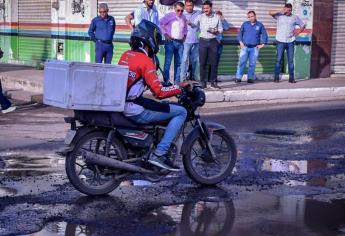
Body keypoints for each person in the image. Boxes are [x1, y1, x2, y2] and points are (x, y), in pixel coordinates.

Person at [118, 20, 193, 171]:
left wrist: (168, 86)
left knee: (159, 106)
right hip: (134, 108)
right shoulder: (145, 61)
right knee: (181, 111)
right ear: (149, 41)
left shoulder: (126, 55)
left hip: (124, 103)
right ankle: (159, 154)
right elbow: (158, 93)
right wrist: (178, 88)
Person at [269, 3, 306, 83]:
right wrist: (281, 11)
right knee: (278, 60)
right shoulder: (279, 16)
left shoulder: (295, 17)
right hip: (280, 41)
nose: (288, 12)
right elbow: (270, 13)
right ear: (284, 9)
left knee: (290, 61)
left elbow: (303, 25)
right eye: (287, 10)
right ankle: (276, 78)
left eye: (289, 10)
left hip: (290, 42)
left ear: (291, 10)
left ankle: (291, 78)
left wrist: (298, 32)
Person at [192, 0, 223, 89]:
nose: (205, 10)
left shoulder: (217, 17)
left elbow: (221, 29)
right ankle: (203, 83)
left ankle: (213, 82)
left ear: (211, 8)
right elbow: (195, 26)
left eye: (207, 8)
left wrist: (216, 31)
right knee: (202, 63)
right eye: (204, 8)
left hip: (213, 41)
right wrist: (190, 24)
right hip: (203, 41)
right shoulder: (200, 17)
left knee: (214, 63)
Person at [235, 11, 268, 83]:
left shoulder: (260, 25)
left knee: (252, 64)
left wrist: (263, 44)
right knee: (242, 62)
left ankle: (250, 78)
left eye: (252, 16)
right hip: (245, 47)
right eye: (249, 17)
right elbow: (240, 33)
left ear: (255, 16)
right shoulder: (245, 24)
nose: (250, 18)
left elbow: (264, 34)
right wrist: (240, 42)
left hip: (254, 48)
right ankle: (238, 77)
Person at [160, 2, 187, 85]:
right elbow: (160, 23)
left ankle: (176, 83)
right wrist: (165, 34)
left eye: (182, 10)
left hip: (180, 43)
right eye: (178, 10)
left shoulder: (184, 17)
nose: (180, 12)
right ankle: (166, 82)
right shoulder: (170, 16)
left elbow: (185, 28)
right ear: (174, 9)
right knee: (167, 63)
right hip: (170, 42)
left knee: (178, 64)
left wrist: (184, 37)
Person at [180, 0, 201, 82]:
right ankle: (183, 79)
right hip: (186, 41)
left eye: (191, 5)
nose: (189, 7)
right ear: (185, 6)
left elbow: (201, 24)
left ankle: (193, 78)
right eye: (187, 5)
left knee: (195, 60)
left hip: (196, 41)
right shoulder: (182, 14)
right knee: (184, 60)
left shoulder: (198, 13)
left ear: (193, 6)